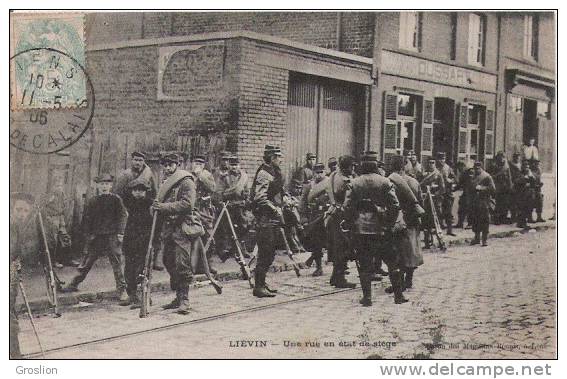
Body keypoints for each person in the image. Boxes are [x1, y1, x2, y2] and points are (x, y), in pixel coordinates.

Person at [342, 152, 405, 306]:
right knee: (392, 262)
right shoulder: (385, 182)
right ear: (376, 165)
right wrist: (389, 223)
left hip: (361, 230)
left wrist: (351, 223)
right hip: (383, 229)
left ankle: (368, 298)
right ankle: (398, 296)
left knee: (364, 264)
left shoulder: (355, 183)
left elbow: (347, 207)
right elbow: (395, 206)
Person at [62, 174, 129, 303]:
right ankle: (74, 283)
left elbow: (122, 216)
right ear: (98, 185)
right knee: (87, 262)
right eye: (102, 184)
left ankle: (122, 290)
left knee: (116, 263)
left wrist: (120, 233)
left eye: (107, 184)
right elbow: (86, 219)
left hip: (111, 236)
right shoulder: (93, 201)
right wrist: (88, 235)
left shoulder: (116, 200)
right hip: (97, 236)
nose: (104, 186)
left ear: (111, 186)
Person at [153, 153, 201, 315]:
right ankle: (177, 296)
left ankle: (184, 299)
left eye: (170, 165)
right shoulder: (164, 182)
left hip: (182, 228)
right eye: (165, 165)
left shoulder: (186, 181)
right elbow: (158, 203)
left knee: (182, 264)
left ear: (177, 165)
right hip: (168, 229)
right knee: (167, 261)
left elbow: (187, 204)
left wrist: (164, 207)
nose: (167, 168)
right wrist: (154, 208)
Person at [308, 155, 357, 288]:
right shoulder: (345, 180)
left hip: (332, 215)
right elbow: (349, 201)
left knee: (337, 247)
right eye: (352, 166)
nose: (353, 169)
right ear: (347, 167)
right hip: (341, 217)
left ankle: (336, 276)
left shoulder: (333, 175)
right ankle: (339, 278)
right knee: (342, 247)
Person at [250, 145, 288, 298]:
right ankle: (258, 287)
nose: (280, 159)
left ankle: (262, 283)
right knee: (265, 253)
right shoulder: (264, 173)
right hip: (264, 220)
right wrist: (274, 209)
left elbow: (276, 192)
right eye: (278, 157)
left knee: (270, 253)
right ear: (272, 158)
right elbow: (260, 198)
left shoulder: (273, 172)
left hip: (271, 220)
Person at [113, 151, 160, 270]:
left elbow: (154, 192)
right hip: (129, 208)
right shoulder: (125, 175)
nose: (137, 163)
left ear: (144, 161)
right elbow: (118, 194)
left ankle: (153, 260)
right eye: (135, 160)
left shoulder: (148, 174)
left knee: (150, 236)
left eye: (140, 160)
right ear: (131, 161)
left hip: (144, 207)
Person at [387, 155, 425, 292]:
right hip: (412, 220)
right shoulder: (414, 182)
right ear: (404, 166)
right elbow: (420, 201)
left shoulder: (390, 181)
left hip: (397, 221)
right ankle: (408, 280)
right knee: (411, 252)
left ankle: (400, 282)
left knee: (398, 253)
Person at [10, 192, 38, 359]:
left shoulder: (20, 227)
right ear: (11, 209)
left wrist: (17, 261)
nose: (21, 214)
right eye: (18, 209)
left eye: (25, 211)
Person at [120, 179, 154, 307]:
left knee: (142, 271)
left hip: (144, 243)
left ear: (145, 192)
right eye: (135, 190)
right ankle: (132, 295)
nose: (138, 193)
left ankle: (143, 297)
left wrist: (153, 242)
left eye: (141, 190)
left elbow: (155, 225)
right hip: (130, 241)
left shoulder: (150, 205)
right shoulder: (128, 204)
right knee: (129, 269)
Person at [40, 178, 78, 268]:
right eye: (57, 186)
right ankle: (52, 261)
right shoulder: (49, 195)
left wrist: (64, 217)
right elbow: (42, 207)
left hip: (60, 218)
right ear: (53, 187)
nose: (59, 188)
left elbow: (65, 205)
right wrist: (48, 217)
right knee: (53, 241)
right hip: (51, 218)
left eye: (60, 186)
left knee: (65, 237)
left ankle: (67, 259)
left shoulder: (62, 194)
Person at [190, 154, 217, 274]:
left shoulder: (207, 175)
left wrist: (200, 175)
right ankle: (193, 266)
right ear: (192, 164)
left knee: (208, 237)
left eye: (200, 164)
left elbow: (212, 188)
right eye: (196, 163)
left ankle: (208, 264)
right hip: (191, 209)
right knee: (193, 236)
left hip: (204, 210)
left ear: (204, 165)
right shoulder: (187, 175)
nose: (198, 166)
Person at [301, 162, 329, 277]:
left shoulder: (329, 183)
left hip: (327, 216)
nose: (319, 175)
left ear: (325, 172)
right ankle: (318, 267)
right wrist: (303, 217)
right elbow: (303, 202)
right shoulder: (309, 185)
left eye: (321, 172)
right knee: (316, 242)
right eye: (317, 173)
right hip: (314, 217)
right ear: (313, 173)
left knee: (328, 242)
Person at [468, 161, 496, 246]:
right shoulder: (472, 176)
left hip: (484, 202)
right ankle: (477, 238)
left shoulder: (487, 177)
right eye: (475, 168)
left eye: (478, 168)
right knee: (475, 221)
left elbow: (492, 189)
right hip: (475, 202)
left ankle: (484, 240)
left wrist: (482, 188)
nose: (476, 170)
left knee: (485, 221)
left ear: (481, 168)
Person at [420, 158, 445, 248]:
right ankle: (427, 242)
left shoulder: (438, 175)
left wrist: (435, 194)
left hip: (435, 201)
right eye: (429, 163)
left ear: (435, 164)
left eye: (433, 163)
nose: (431, 164)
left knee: (436, 221)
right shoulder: (424, 175)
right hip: (426, 201)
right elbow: (420, 187)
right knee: (426, 221)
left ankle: (439, 240)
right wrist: (423, 194)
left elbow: (442, 188)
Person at [435, 152, 456, 236]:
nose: (441, 161)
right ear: (437, 159)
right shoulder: (435, 168)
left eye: (443, 159)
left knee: (448, 211)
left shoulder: (448, 168)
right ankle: (438, 228)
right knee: (437, 211)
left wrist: (450, 180)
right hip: (438, 192)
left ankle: (449, 230)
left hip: (447, 192)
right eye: (440, 159)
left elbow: (455, 179)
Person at [509, 152, 523, 223]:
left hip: (520, 186)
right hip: (514, 184)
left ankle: (518, 217)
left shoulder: (521, 165)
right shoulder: (511, 166)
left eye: (518, 157)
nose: (517, 158)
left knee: (519, 202)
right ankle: (513, 216)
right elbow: (510, 176)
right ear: (514, 158)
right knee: (513, 202)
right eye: (516, 157)